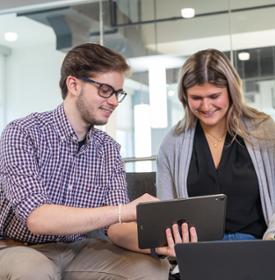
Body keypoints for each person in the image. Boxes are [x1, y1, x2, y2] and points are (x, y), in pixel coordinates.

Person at [0, 43, 173, 279]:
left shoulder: (109, 150)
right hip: (16, 247)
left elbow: (117, 228)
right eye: (105, 90)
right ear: (74, 85)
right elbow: (37, 218)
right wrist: (123, 211)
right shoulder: (23, 133)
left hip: (74, 250)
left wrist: (157, 244)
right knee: (34, 270)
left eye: (117, 93)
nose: (113, 101)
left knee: (153, 269)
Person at [156, 48, 275, 240]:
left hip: (258, 246)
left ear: (231, 91)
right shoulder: (172, 143)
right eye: (196, 98)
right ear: (184, 96)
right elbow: (165, 212)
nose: (206, 107)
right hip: (199, 252)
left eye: (214, 96)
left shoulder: (264, 130)